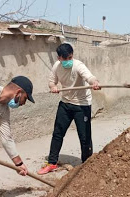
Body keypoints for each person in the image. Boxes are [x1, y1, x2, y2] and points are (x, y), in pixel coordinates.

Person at [38, 43, 100, 175]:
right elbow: (51, 81)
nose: (67, 61)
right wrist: (52, 87)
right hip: (65, 103)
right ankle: (52, 163)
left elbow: (89, 76)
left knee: (85, 137)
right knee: (57, 133)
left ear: (72, 56)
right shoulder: (56, 66)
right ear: (59, 58)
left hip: (82, 104)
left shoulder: (78, 65)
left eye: (70, 58)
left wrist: (94, 82)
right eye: (64, 59)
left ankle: (87, 164)